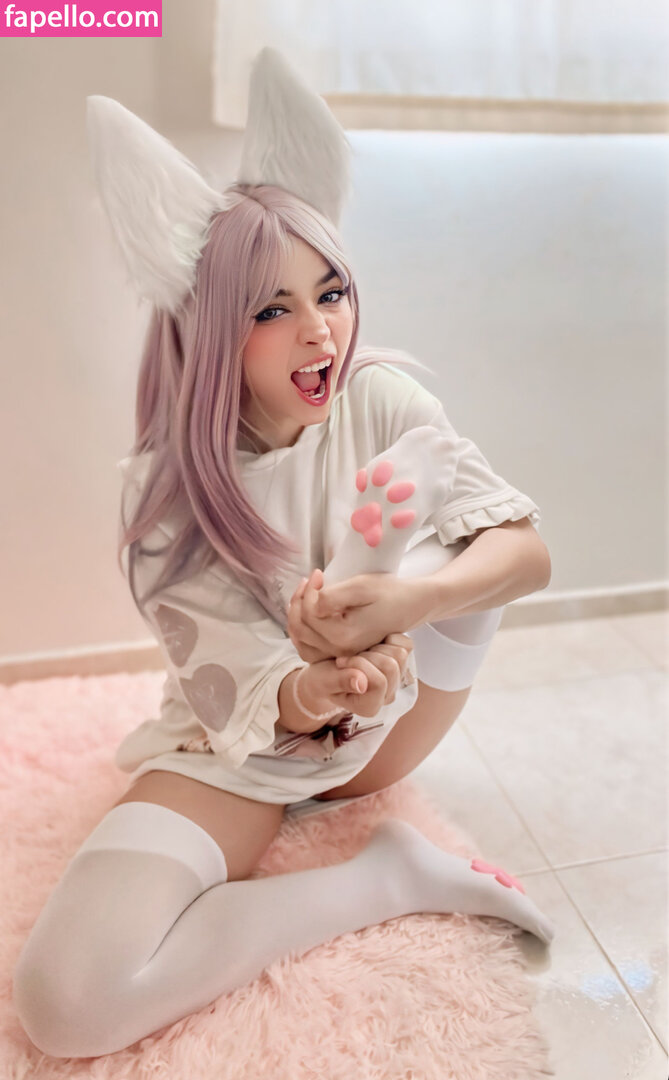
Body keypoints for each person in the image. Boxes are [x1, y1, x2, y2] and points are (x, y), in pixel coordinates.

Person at [12, 49, 555, 1059]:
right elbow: (237, 689)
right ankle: (382, 877)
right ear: (209, 330)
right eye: (271, 309)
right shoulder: (165, 489)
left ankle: (370, 582)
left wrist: (404, 605)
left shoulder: (380, 397)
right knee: (66, 1001)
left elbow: (526, 555)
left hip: (387, 726)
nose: (320, 333)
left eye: (331, 292)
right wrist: (315, 686)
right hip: (240, 747)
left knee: (459, 544)